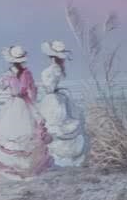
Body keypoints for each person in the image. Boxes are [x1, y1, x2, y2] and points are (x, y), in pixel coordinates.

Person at [0, 45, 50, 179]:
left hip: (14, 103)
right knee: (26, 132)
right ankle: (26, 165)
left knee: (11, 132)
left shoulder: (9, 73)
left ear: (11, 60)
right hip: (24, 102)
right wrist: (32, 103)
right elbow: (33, 89)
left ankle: (13, 165)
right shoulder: (27, 73)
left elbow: (3, 86)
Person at [36, 40, 88, 171]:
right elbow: (51, 86)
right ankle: (59, 156)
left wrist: (47, 88)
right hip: (55, 98)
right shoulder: (56, 69)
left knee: (56, 123)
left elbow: (50, 87)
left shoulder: (52, 70)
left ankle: (58, 156)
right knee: (58, 123)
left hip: (53, 98)